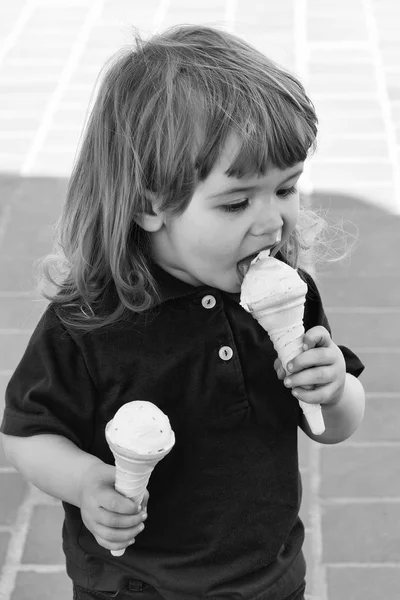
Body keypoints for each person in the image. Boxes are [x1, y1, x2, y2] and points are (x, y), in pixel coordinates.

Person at [0, 25, 365, 600]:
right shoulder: (90, 320)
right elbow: (27, 434)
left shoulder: (287, 292)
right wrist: (86, 483)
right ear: (150, 204)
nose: (272, 222)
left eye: (287, 189)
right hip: (134, 585)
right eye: (237, 201)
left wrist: (336, 390)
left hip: (268, 576)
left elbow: (332, 428)